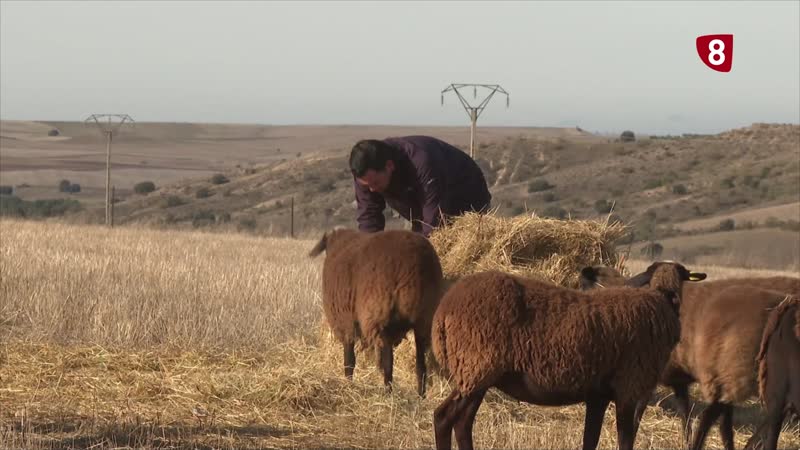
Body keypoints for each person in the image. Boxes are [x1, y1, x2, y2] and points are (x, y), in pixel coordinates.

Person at [349, 135, 492, 237]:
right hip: (419, 204)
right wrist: (370, 251)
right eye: (367, 186)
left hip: (467, 196)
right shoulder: (365, 174)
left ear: (389, 166)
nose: (372, 189)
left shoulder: (421, 162)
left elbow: (433, 222)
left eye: (376, 183)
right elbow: (369, 217)